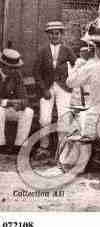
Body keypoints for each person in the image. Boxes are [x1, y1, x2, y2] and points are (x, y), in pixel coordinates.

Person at [34, 21, 76, 158]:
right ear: (48, 35)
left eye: (57, 33)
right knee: (44, 119)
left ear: (61, 34)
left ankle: (62, 148)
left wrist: (70, 81)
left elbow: (76, 68)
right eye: (51, 34)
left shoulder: (67, 50)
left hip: (63, 88)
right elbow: (36, 72)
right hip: (47, 88)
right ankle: (44, 146)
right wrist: (43, 89)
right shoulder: (42, 51)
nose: (54, 36)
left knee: (64, 117)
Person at [0, 49, 34, 154]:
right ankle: (1, 144)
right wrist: (9, 102)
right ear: (3, 65)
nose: (14, 70)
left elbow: (24, 98)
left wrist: (21, 104)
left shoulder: (16, 76)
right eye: (11, 68)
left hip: (8, 109)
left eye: (15, 68)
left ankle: (19, 146)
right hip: (1, 109)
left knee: (28, 112)